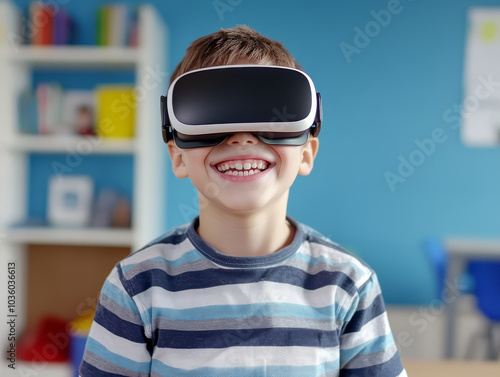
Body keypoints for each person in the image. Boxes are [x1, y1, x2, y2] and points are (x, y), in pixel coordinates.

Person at [79, 26, 407, 377]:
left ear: (307, 153)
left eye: (270, 113)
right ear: (177, 156)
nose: (242, 137)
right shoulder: (137, 287)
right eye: (213, 113)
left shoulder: (348, 285)